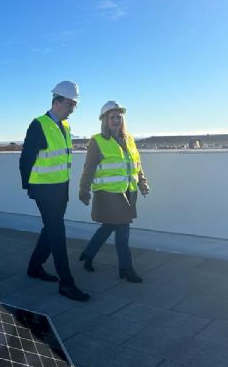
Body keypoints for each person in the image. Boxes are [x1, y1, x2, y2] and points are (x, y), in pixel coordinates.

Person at [19, 80, 90, 302]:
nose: (72, 110)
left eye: (74, 106)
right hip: (44, 189)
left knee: (50, 228)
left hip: (61, 187)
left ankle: (34, 266)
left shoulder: (65, 126)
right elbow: (25, 159)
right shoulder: (39, 124)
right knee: (57, 231)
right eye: (70, 105)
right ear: (57, 102)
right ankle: (66, 283)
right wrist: (29, 187)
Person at [78, 101, 150, 282]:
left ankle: (88, 253)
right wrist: (84, 190)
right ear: (105, 120)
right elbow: (89, 168)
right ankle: (126, 269)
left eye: (119, 116)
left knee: (110, 226)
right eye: (112, 117)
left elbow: (136, 165)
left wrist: (142, 183)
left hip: (127, 192)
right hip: (109, 194)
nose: (116, 120)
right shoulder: (97, 141)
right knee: (123, 229)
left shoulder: (130, 139)